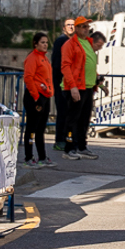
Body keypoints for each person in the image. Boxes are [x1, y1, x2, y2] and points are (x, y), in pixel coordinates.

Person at [61, 16, 99, 160]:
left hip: (87, 86)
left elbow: (90, 64)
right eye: (83, 26)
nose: (86, 29)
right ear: (76, 28)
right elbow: (65, 66)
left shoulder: (88, 43)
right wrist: (73, 87)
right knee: (72, 119)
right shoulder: (70, 44)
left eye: (87, 26)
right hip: (76, 86)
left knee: (84, 119)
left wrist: (98, 82)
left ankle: (82, 146)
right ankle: (69, 148)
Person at [22, 32, 56, 168]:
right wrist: (36, 96)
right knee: (31, 127)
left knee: (41, 128)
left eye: (46, 42)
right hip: (35, 97)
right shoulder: (32, 58)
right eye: (42, 42)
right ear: (35, 44)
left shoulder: (44, 58)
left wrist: (49, 92)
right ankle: (28, 157)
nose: (45, 45)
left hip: (45, 96)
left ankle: (42, 157)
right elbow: (28, 78)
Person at [51, 18, 76, 150]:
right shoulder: (61, 41)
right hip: (62, 81)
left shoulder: (74, 41)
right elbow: (57, 62)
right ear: (64, 28)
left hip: (70, 82)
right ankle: (60, 140)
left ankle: (67, 139)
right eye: (68, 25)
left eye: (73, 25)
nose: (71, 27)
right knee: (62, 111)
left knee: (69, 112)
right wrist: (61, 78)